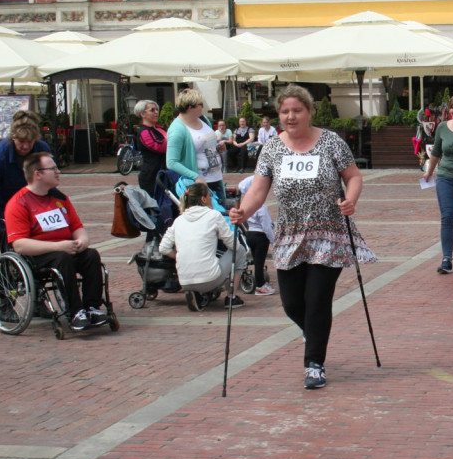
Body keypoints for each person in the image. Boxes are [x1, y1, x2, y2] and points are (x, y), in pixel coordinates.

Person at [230, 84, 375, 391]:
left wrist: (351, 199)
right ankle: (314, 331)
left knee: (317, 299)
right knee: (292, 303)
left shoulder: (331, 142)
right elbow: (258, 189)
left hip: (328, 231)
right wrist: (243, 211)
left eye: (297, 110)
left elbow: (353, 176)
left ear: (309, 112)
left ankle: (314, 364)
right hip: (289, 234)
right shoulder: (272, 148)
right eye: (285, 111)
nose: (291, 116)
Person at [4, 152, 108, 330]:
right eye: (53, 169)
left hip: (65, 248)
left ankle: (92, 307)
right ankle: (74, 312)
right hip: (39, 255)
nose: (58, 171)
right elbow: (19, 244)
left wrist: (82, 240)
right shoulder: (19, 203)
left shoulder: (60, 198)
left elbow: (76, 227)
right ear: (38, 173)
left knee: (91, 255)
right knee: (62, 258)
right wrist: (58, 246)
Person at [160, 182, 246, 310]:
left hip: (184, 281)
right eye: (209, 195)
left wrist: (179, 256)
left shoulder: (179, 220)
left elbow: (163, 248)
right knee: (240, 250)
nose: (211, 198)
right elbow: (233, 244)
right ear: (203, 199)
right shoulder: (213, 215)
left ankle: (196, 294)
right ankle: (231, 297)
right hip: (210, 279)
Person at [0, 110, 51, 248]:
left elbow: (51, 183)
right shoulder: (2, 152)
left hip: (33, 206)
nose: (25, 146)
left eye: (30, 142)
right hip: (4, 206)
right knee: (12, 246)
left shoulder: (41, 149)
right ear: (13, 137)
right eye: (21, 141)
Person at [423, 91, 453, 274]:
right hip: (445, 176)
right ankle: (447, 258)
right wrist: (429, 172)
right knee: (447, 216)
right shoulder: (443, 127)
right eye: (452, 107)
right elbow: (436, 151)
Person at [167, 89, 226, 202]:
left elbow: (206, 146)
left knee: (221, 215)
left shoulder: (203, 120)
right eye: (200, 104)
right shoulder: (177, 129)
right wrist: (195, 177)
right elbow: (171, 162)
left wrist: (218, 148)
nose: (202, 107)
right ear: (190, 107)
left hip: (216, 177)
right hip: (199, 182)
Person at [238, 175, 275, 296]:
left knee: (256, 260)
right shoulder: (261, 208)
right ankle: (260, 285)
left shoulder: (245, 206)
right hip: (261, 237)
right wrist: (273, 240)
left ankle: (260, 282)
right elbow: (266, 226)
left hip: (250, 234)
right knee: (259, 263)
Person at [133, 99, 167, 196]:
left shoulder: (161, 128)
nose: (156, 112)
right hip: (151, 176)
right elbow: (160, 146)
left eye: (157, 109)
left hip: (164, 173)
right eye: (152, 110)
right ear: (143, 114)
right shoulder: (144, 132)